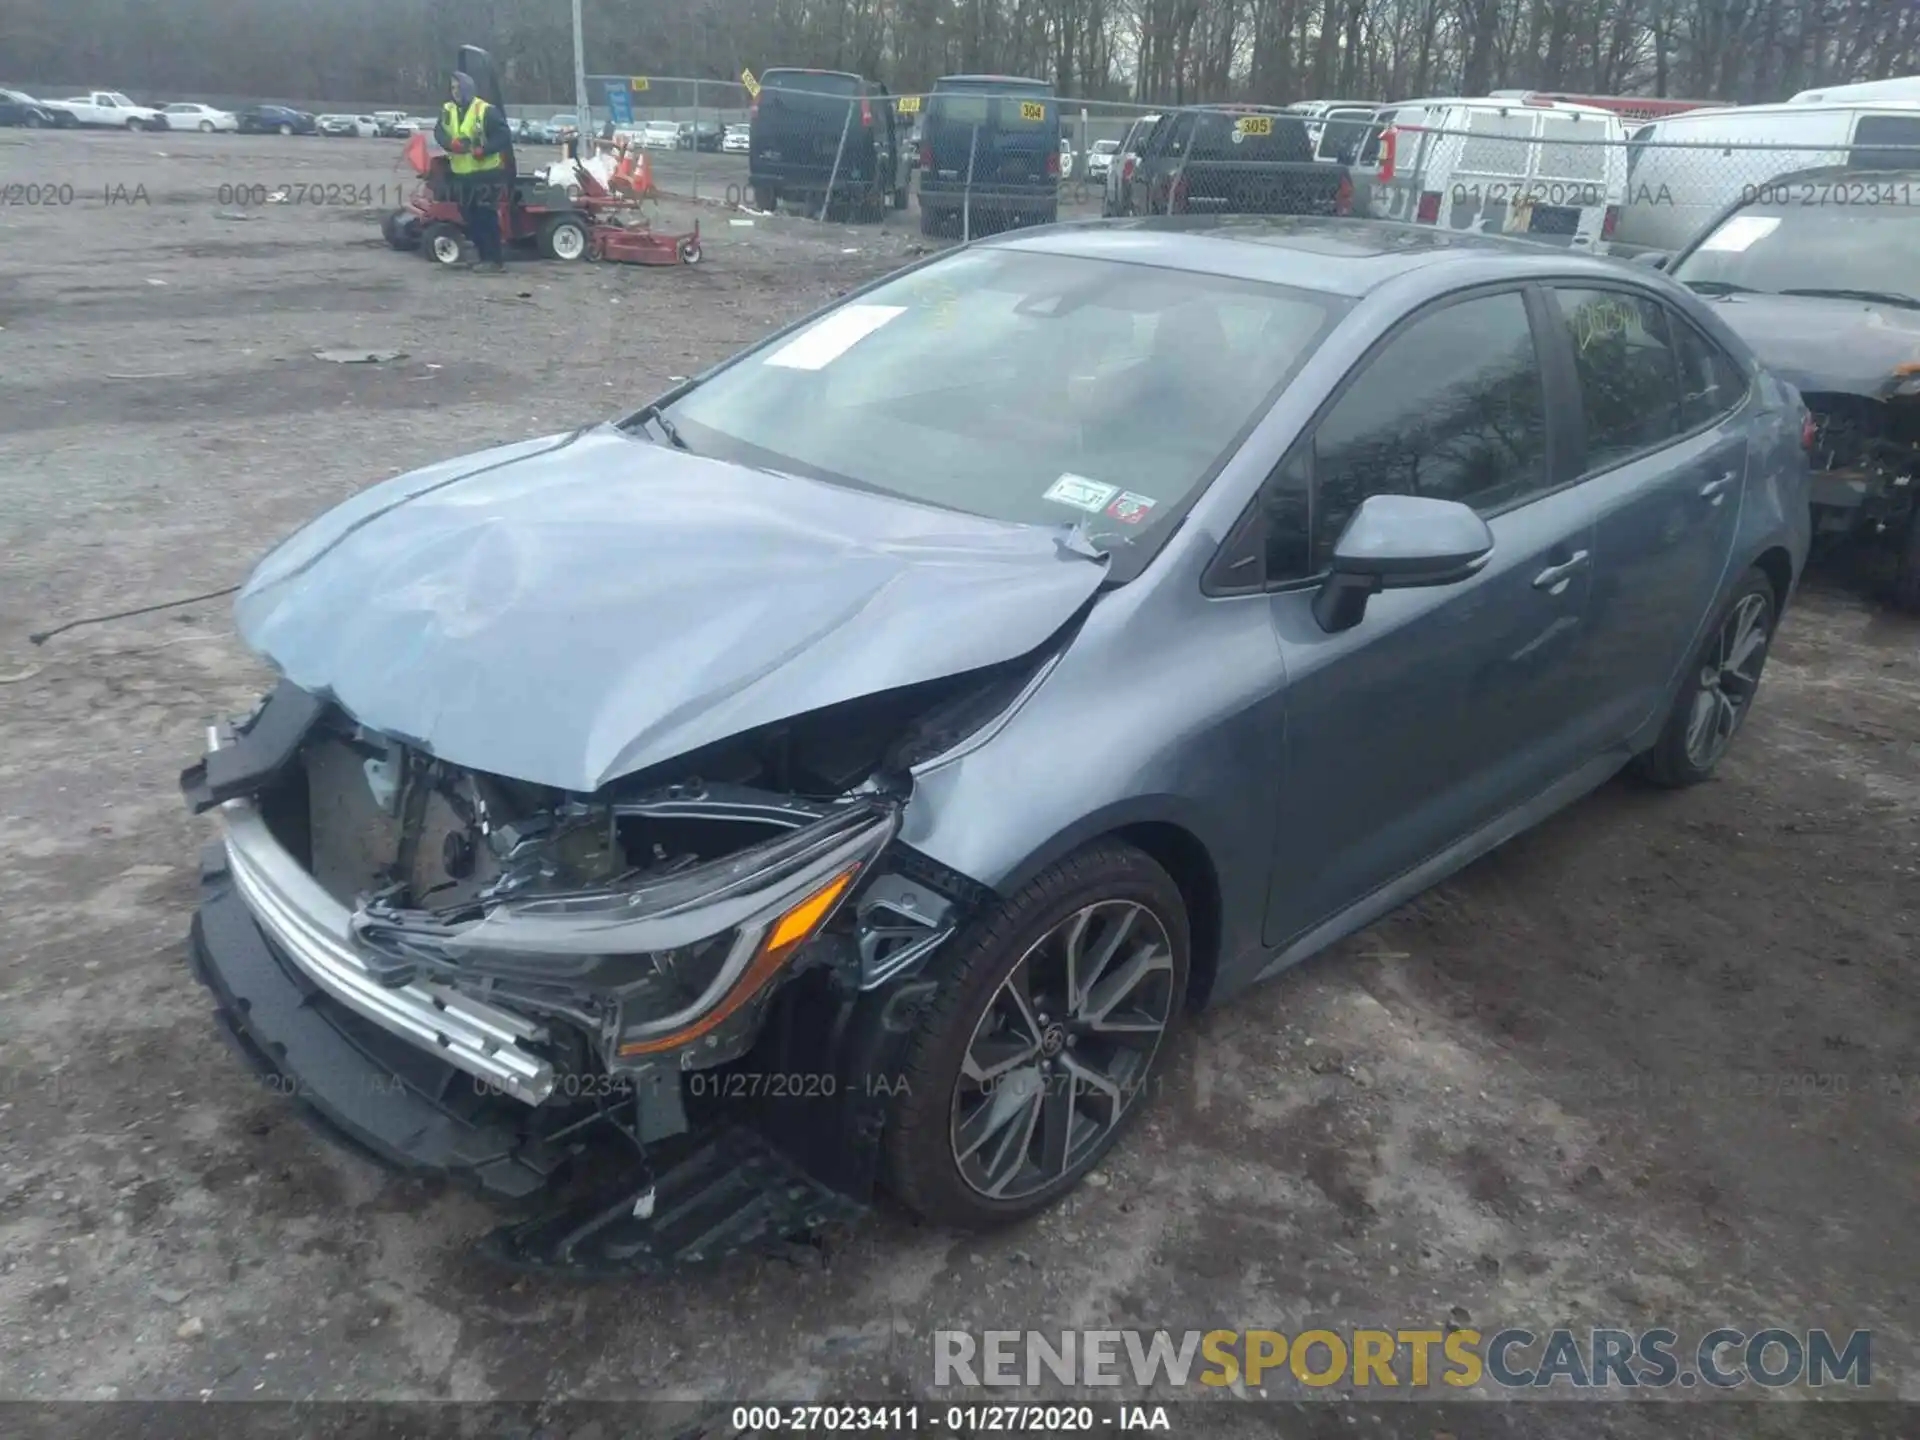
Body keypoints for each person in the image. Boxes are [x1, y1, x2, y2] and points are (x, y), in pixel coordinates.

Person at [435, 71, 514, 273]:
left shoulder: (485, 111)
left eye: (458, 87)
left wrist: (484, 150)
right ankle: (482, 256)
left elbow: (504, 135)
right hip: (462, 174)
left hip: (486, 174)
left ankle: (494, 260)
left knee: (485, 216)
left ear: (467, 88)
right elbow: (439, 131)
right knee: (469, 217)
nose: (455, 92)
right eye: (452, 88)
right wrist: (449, 142)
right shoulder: (448, 110)